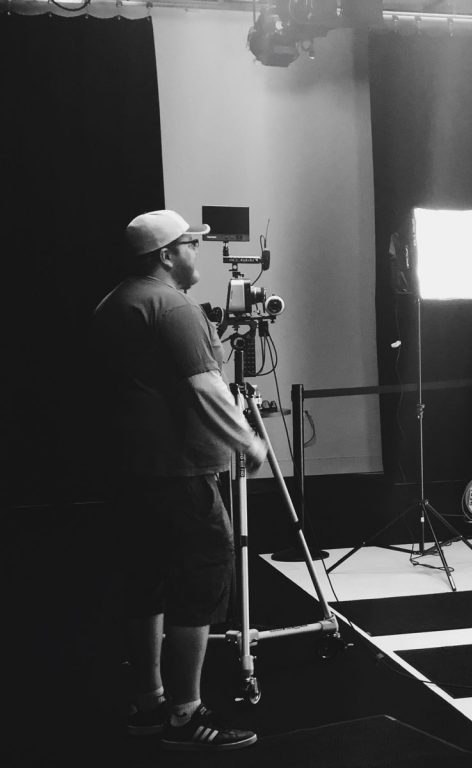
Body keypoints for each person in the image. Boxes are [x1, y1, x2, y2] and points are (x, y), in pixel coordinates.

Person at [92, 209, 268, 750]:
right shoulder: (173, 305)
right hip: (181, 472)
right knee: (201, 579)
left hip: (129, 472)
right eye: (192, 244)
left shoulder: (113, 303)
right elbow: (207, 388)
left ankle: (148, 704)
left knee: (144, 582)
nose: (198, 253)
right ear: (167, 255)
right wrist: (248, 442)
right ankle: (187, 715)